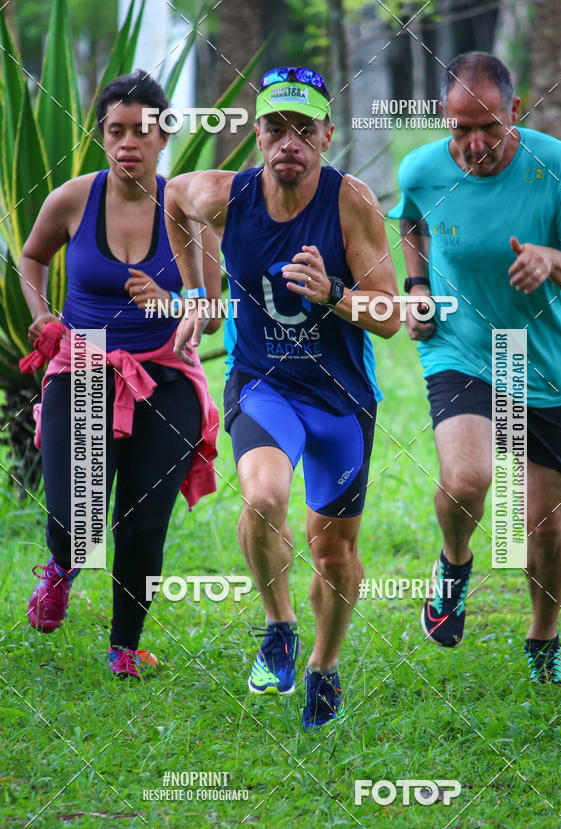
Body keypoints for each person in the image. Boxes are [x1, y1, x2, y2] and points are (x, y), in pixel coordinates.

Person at [165, 66, 399, 728]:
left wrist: (334, 293)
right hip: (264, 385)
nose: (288, 142)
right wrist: (198, 293)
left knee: (332, 550)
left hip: (340, 400)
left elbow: (389, 315)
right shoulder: (223, 195)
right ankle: (279, 627)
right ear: (256, 134)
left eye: (304, 129)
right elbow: (174, 199)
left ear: (327, 134)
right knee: (263, 495)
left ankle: (324, 668)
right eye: (276, 128)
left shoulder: (350, 201)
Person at [390, 51, 561, 683]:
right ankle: (454, 565)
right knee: (467, 480)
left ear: (515, 111)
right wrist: (416, 287)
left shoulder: (556, 165)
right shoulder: (423, 169)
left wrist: (550, 260)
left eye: (488, 126)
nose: (474, 144)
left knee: (545, 524)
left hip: (544, 364)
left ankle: (543, 637)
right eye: (459, 129)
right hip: (463, 348)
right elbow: (410, 223)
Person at [19, 70, 221, 679]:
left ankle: (124, 645)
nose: (127, 142)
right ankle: (62, 565)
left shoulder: (189, 214)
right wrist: (43, 314)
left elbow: (210, 313)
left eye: (142, 131)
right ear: (102, 135)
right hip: (81, 365)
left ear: (165, 137)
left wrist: (170, 301)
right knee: (75, 514)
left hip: (164, 377)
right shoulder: (75, 198)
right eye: (115, 131)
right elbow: (31, 257)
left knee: (142, 521)